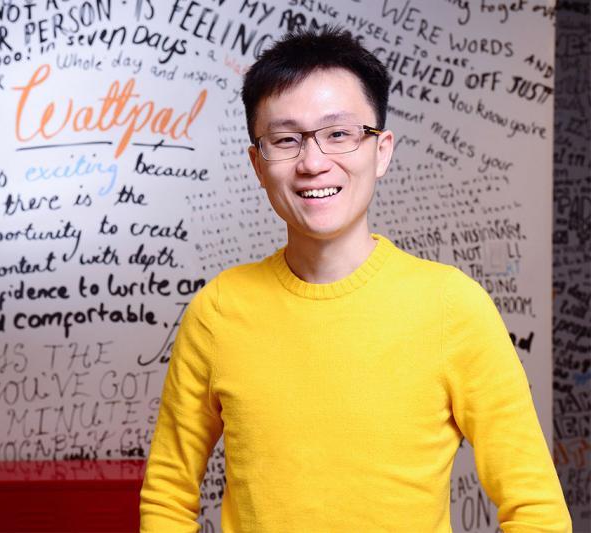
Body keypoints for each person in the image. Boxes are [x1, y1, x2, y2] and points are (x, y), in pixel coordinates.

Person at [139, 27, 571, 532]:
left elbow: (534, 506)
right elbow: (168, 495)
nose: (314, 162)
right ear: (258, 164)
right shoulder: (217, 312)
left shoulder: (453, 306)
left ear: (381, 151)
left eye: (339, 134)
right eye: (285, 140)